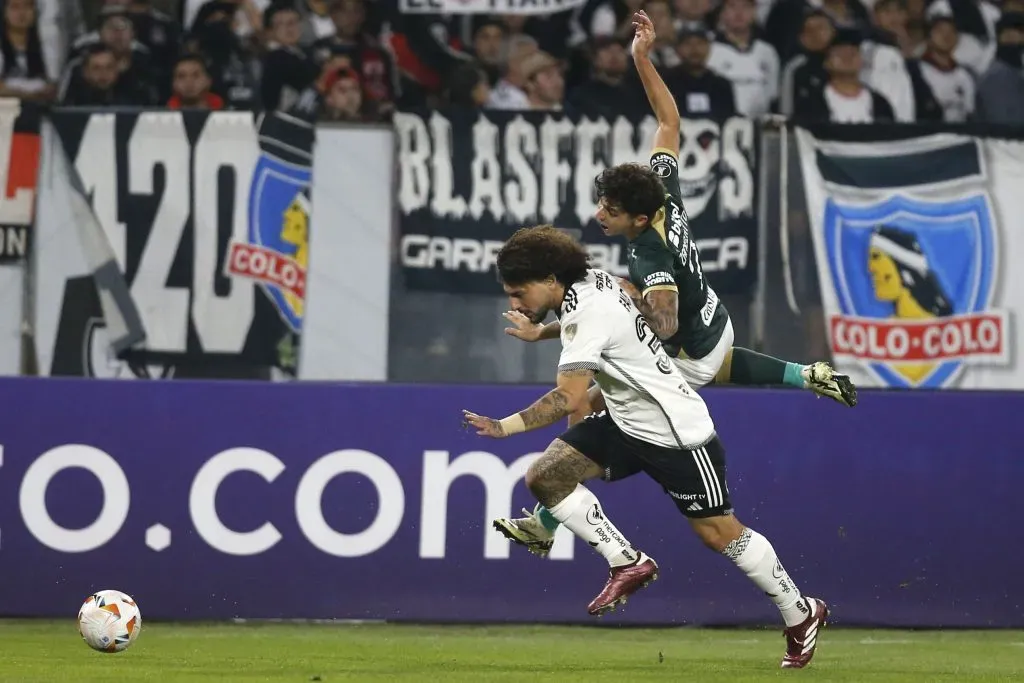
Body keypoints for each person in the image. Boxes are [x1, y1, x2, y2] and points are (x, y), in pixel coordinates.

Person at [494, 7, 855, 579]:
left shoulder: (648, 254)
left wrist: (623, 298)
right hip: (716, 322)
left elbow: (661, 320)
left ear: (636, 217)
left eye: (609, 212)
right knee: (689, 366)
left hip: (688, 344)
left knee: (591, 400)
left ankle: (547, 520)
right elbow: (669, 120)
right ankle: (804, 375)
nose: (599, 216)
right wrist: (642, 57)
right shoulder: (664, 188)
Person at [464, 225, 829, 670]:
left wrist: (505, 427)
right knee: (546, 475)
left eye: (520, 293)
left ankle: (800, 611)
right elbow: (612, 308)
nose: (515, 304)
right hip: (626, 420)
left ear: (551, 279)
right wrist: (540, 333)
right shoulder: (593, 281)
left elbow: (569, 397)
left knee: (718, 534)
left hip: (677, 433)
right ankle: (627, 562)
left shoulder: (586, 313)